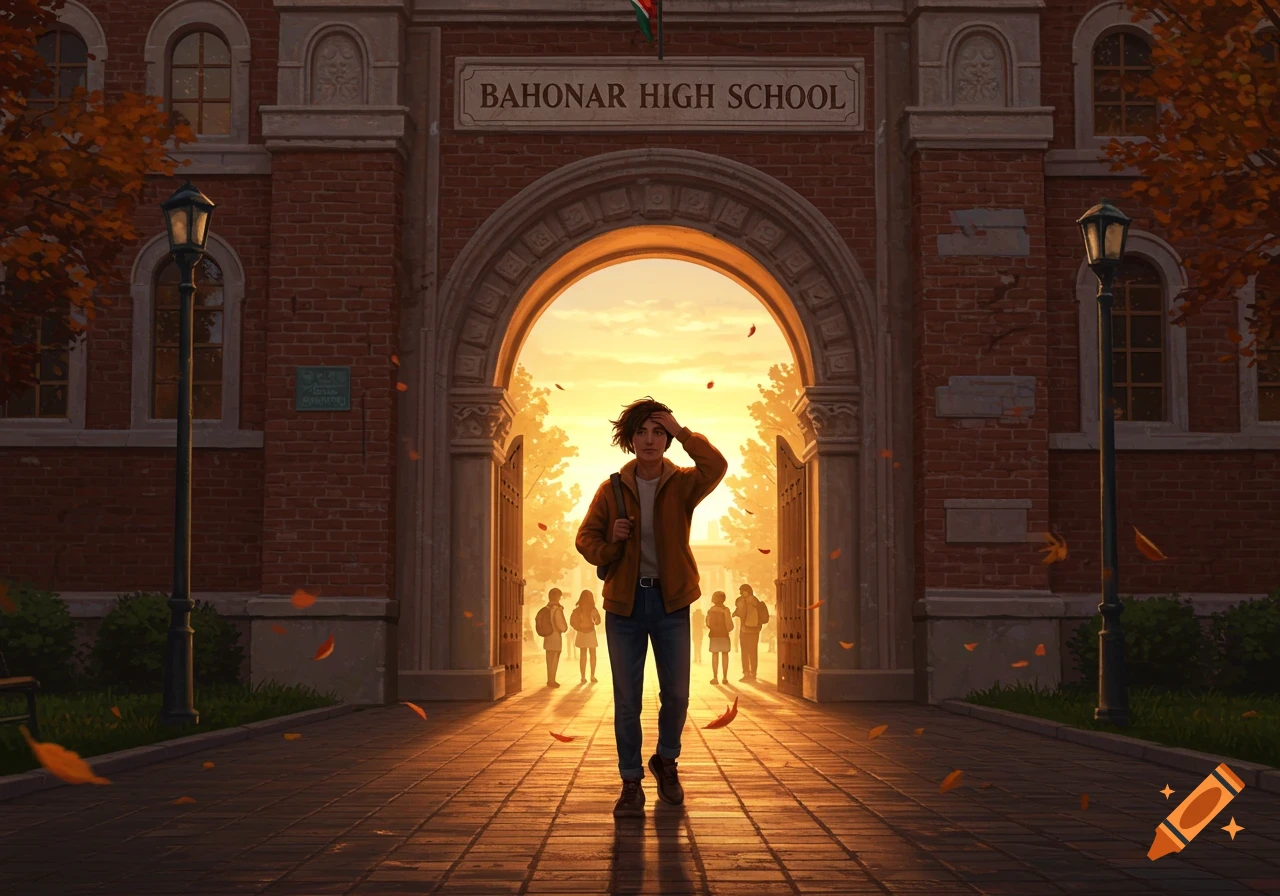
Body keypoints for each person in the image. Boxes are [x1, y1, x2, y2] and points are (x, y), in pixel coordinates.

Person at [576, 398, 727, 818]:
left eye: (658, 432)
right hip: (624, 605)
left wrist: (683, 433)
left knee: (676, 694)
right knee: (627, 700)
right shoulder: (611, 489)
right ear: (629, 438)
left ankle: (666, 760)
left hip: (670, 601)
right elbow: (585, 539)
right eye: (642, 431)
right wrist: (611, 540)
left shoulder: (682, 483)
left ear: (667, 438)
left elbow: (716, 467)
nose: (649, 440)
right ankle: (630, 783)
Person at [732, 584, 768, 682]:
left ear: (747, 591)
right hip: (752, 630)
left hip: (748, 630)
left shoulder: (749, 600)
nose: (741, 593)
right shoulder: (751, 600)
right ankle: (751, 673)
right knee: (752, 652)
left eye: (742, 591)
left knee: (746, 652)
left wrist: (736, 612)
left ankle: (748, 673)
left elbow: (740, 612)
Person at [535, 588, 568, 688]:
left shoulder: (547, 608)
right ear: (557, 597)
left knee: (548, 659)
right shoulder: (557, 608)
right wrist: (564, 628)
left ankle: (549, 678)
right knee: (555, 659)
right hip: (555, 635)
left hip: (547, 635)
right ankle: (552, 680)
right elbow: (559, 623)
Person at [570, 589, 603, 684]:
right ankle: (592, 675)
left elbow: (572, 622)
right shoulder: (593, 609)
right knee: (593, 654)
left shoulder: (577, 609)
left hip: (581, 633)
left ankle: (583, 677)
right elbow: (598, 622)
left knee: (582, 655)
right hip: (590, 632)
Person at [705, 591, 733, 685]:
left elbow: (708, 624)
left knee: (715, 655)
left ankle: (715, 677)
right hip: (724, 635)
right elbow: (730, 626)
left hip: (714, 635)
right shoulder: (726, 610)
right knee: (725, 655)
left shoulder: (710, 610)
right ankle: (725, 678)